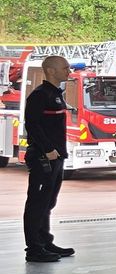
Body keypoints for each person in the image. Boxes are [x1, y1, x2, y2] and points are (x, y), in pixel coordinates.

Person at [21, 55, 74, 262]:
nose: (68, 71)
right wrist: (48, 149)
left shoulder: (56, 94)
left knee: (48, 202)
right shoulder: (40, 95)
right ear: (51, 71)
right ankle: (34, 248)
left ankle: (45, 241)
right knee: (37, 202)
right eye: (65, 68)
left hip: (57, 156)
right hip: (44, 157)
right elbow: (32, 124)